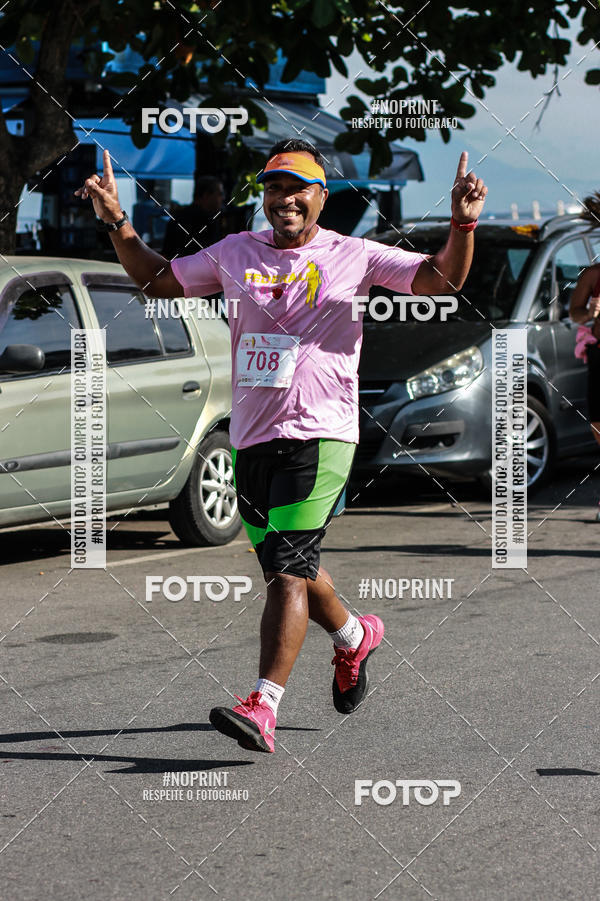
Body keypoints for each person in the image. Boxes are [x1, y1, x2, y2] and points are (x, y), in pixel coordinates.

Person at [76, 139, 487, 754]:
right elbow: (159, 280)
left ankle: (262, 704)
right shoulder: (235, 252)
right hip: (252, 435)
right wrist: (116, 219)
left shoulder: (352, 254)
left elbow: (442, 279)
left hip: (322, 435)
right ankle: (354, 637)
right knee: (286, 565)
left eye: (298, 188)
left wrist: (462, 223)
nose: (285, 199)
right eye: (274, 187)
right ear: (263, 196)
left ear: (322, 197)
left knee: (286, 576)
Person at [569, 191, 600, 520]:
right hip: (599, 358)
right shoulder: (593, 275)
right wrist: (589, 313)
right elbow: (574, 314)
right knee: (597, 424)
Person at [161, 175, 225, 259]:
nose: (223, 198)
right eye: (220, 194)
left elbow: (167, 253)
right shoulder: (210, 220)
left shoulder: (177, 217)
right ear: (206, 195)